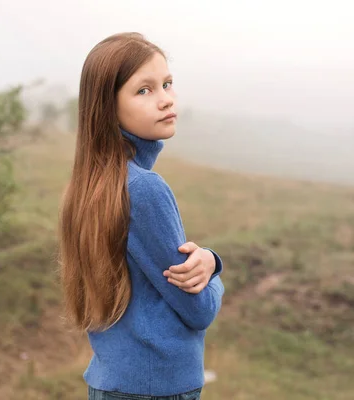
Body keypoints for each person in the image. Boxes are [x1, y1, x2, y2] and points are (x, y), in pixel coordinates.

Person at [58, 32, 225, 400]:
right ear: (107, 106)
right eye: (144, 90)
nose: (166, 99)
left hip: (111, 383)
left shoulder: (92, 183)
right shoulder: (144, 189)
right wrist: (213, 267)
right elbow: (197, 309)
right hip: (156, 388)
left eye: (167, 84)